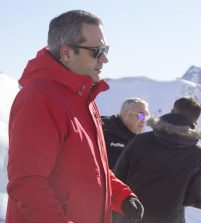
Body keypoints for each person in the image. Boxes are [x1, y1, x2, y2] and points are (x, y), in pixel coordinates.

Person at [6, 10, 143, 223]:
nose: (105, 58)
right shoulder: (39, 98)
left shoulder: (84, 97)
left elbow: (88, 167)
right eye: (96, 51)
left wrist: (121, 196)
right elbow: (27, 183)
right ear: (67, 53)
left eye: (106, 49)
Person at [114, 96, 201, 223]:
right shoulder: (200, 155)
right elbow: (195, 197)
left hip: (131, 216)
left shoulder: (140, 140)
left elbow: (118, 176)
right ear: (195, 122)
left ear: (172, 111)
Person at [102, 98, 150, 169]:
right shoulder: (102, 129)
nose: (144, 120)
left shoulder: (143, 143)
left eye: (146, 117)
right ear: (125, 114)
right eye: (141, 115)